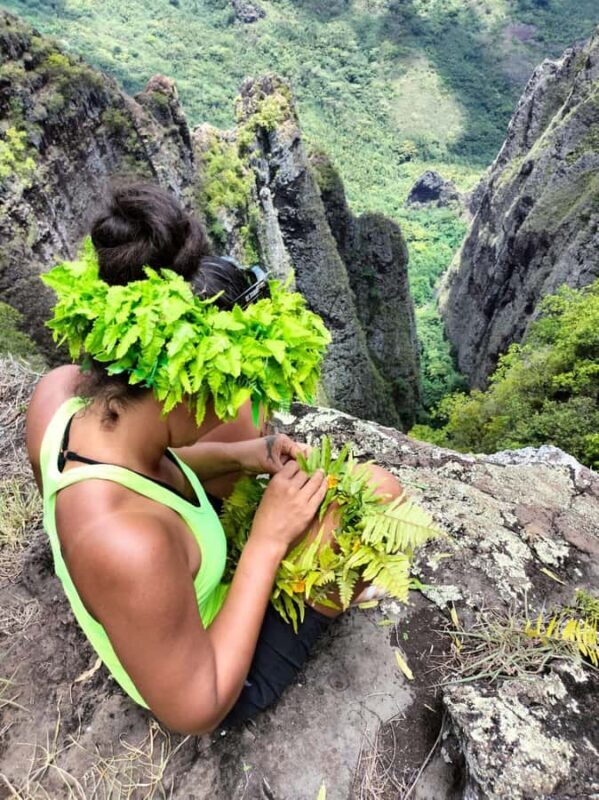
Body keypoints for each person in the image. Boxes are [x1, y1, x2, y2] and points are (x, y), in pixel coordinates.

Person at [26, 182, 402, 735]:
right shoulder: (127, 543)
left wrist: (242, 454)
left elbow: (142, 476)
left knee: (253, 433)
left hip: (153, 595)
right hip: (213, 672)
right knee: (380, 491)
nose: (230, 402)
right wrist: (268, 542)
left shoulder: (58, 396)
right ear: (180, 387)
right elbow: (195, 711)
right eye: (221, 389)